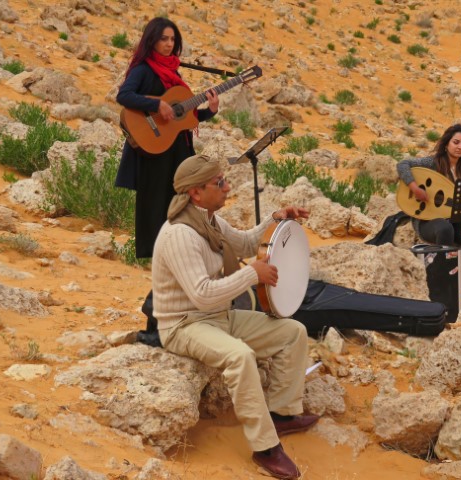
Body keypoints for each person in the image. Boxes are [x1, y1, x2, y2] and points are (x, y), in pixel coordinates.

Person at [152, 154, 318, 480]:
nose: (227, 187)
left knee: (293, 332)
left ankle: (281, 414)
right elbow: (201, 293)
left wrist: (275, 221)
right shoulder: (180, 234)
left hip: (218, 316)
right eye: (220, 183)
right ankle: (265, 448)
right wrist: (252, 276)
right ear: (196, 193)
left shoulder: (209, 221)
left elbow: (243, 243)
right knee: (240, 356)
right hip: (185, 324)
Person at [115, 17, 219, 260]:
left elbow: (183, 118)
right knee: (154, 200)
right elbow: (125, 95)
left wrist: (210, 111)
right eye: (164, 38)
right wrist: (156, 104)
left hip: (177, 148)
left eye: (173, 39)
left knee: (181, 199)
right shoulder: (143, 69)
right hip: (154, 148)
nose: (169, 44)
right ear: (152, 40)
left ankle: (179, 250)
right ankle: (154, 255)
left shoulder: (174, 72)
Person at [397, 123, 461, 294]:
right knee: (445, 229)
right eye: (456, 142)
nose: (460, 147)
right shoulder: (432, 163)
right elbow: (402, 165)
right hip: (427, 220)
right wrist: (415, 188)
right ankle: (442, 288)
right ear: (446, 144)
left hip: (456, 220)